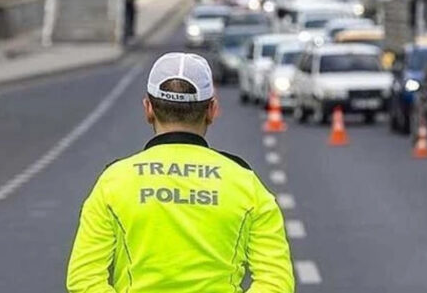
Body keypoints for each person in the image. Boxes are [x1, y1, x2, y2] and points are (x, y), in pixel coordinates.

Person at [66, 52, 294, 293]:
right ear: (212, 110)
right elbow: (276, 282)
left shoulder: (114, 181)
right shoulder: (246, 184)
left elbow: (83, 279)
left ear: (148, 109)